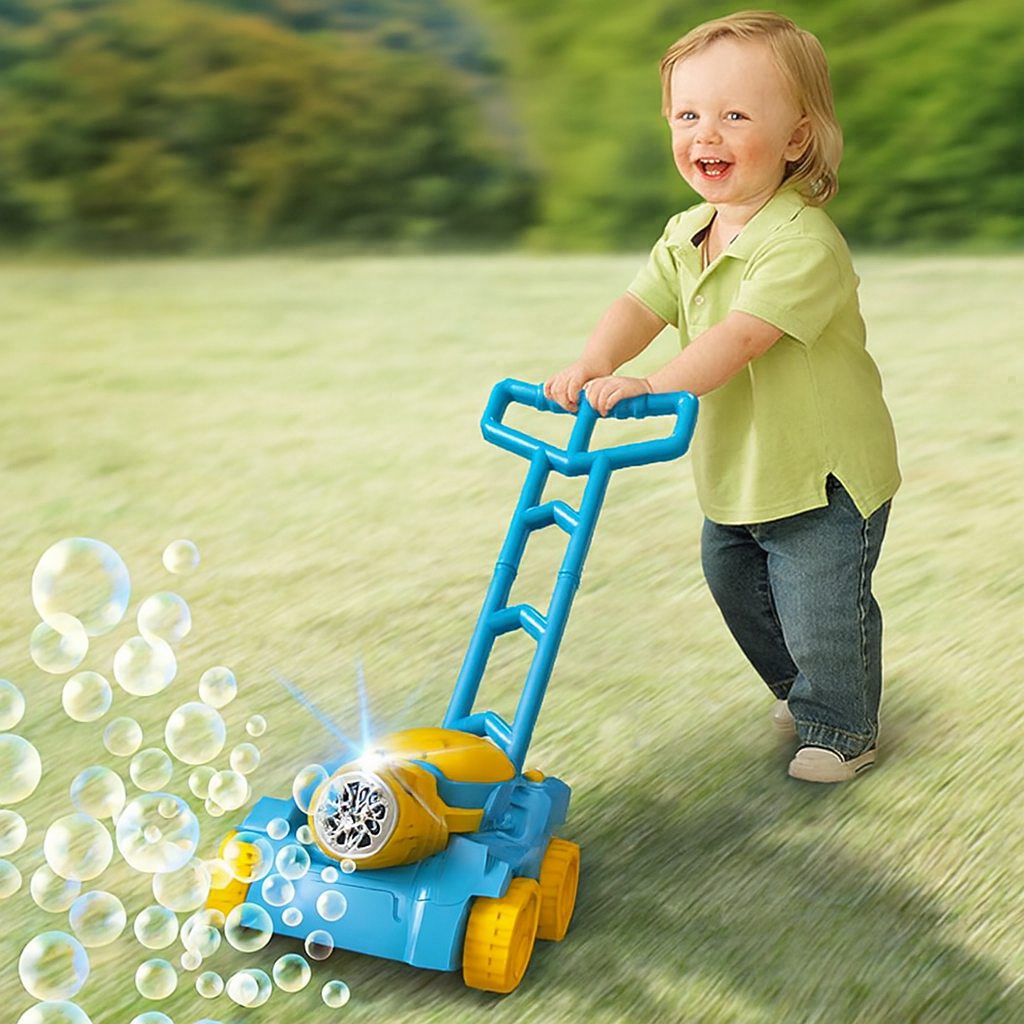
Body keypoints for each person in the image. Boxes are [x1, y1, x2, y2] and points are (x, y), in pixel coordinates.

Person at [544, 11, 900, 783]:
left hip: (822, 475)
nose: (707, 132)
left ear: (796, 139)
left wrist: (648, 386)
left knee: (821, 607)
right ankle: (806, 695)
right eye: (689, 114)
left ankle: (844, 728)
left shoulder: (801, 241)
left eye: (736, 115)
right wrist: (594, 361)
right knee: (735, 583)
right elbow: (640, 305)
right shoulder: (687, 232)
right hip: (740, 470)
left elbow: (739, 339)